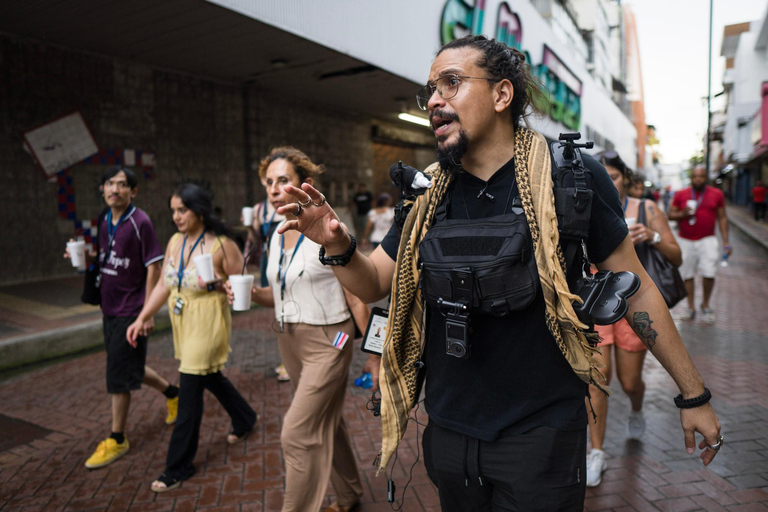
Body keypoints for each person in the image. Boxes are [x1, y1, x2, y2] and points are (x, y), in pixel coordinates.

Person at [274, 35, 722, 511]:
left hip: (542, 434)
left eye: (451, 83)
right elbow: (374, 282)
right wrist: (338, 245)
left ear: (501, 94)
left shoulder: (569, 176)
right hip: (449, 428)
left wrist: (693, 395)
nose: (434, 101)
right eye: (429, 90)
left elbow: (637, 292)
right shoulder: (426, 193)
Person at [229, 147, 370, 512]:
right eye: (269, 182)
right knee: (327, 421)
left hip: (331, 338)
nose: (275, 189)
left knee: (297, 432)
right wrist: (242, 291)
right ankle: (350, 493)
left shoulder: (328, 225)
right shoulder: (277, 231)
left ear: (302, 184)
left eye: (283, 181)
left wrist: (375, 355)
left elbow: (358, 295)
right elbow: (277, 293)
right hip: (288, 339)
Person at [127, 183, 256, 493]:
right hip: (182, 324)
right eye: (173, 211)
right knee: (209, 375)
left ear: (199, 210)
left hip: (208, 324)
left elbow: (241, 287)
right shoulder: (174, 241)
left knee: (189, 391)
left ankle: (178, 465)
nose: (176, 217)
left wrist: (217, 286)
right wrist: (142, 317)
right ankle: (245, 417)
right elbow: (162, 286)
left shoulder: (223, 245)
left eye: (181, 210)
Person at [66, 166, 179, 470]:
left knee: (118, 375)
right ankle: (174, 394)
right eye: (109, 184)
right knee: (129, 365)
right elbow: (109, 257)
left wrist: (146, 313)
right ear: (102, 189)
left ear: (133, 191)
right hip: (110, 306)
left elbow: (154, 267)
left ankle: (117, 438)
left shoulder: (140, 221)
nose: (115, 189)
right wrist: (86, 260)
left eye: (122, 184)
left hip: (131, 310)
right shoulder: (105, 220)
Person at [586, 152, 682, 487]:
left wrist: (651, 237)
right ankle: (596, 451)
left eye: (613, 175)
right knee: (597, 376)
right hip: (594, 302)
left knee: (628, 383)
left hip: (633, 303)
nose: (607, 181)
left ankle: (637, 407)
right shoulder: (583, 202)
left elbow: (676, 255)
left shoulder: (646, 209)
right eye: (602, 176)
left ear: (625, 177)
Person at [668, 166, 731, 323]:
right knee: (687, 274)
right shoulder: (681, 194)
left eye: (701, 176)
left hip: (707, 240)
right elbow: (670, 215)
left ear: (706, 177)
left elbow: (722, 218)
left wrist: (726, 241)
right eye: (695, 176)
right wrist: (682, 214)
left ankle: (705, 304)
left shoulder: (717, 194)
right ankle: (691, 308)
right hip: (685, 240)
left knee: (709, 273)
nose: (698, 179)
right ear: (691, 178)